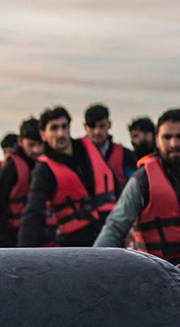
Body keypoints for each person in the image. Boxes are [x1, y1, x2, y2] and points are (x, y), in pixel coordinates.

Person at [93, 109, 180, 259]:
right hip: (160, 272)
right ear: (156, 140)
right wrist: (93, 264)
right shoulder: (143, 179)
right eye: (167, 137)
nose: (174, 144)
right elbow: (115, 226)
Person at [19, 106, 119, 247]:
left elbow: (117, 188)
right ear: (43, 134)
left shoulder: (89, 149)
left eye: (64, 127)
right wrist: (22, 256)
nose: (61, 133)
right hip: (76, 245)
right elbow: (32, 214)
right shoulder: (44, 170)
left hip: (110, 236)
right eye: (54, 128)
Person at [0, 118, 50, 248]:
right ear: (21, 142)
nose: (36, 150)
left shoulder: (49, 165)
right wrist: (6, 245)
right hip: (15, 238)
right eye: (31, 145)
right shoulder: (10, 169)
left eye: (40, 144)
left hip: (46, 237)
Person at [83, 103, 131, 183]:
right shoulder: (75, 153)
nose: (97, 132)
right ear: (85, 126)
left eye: (102, 126)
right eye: (92, 127)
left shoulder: (126, 155)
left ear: (109, 124)